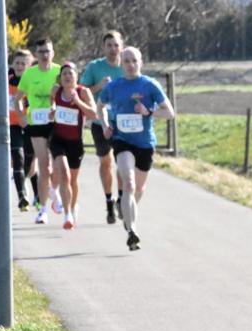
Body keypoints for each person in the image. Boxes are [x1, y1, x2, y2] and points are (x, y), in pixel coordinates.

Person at [98, 46, 174, 251]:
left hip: (145, 143)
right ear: (121, 64)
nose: (130, 65)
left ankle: (126, 211)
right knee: (129, 184)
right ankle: (132, 232)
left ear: (141, 63)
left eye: (134, 61)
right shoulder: (114, 86)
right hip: (122, 140)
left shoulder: (150, 85)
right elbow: (100, 105)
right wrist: (105, 125)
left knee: (139, 189)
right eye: (126, 61)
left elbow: (169, 113)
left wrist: (148, 111)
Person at [15, 38, 61, 225]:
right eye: (41, 51)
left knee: (59, 165)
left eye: (47, 51)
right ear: (36, 54)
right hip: (36, 123)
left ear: (53, 53)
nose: (44, 55)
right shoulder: (29, 74)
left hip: (56, 122)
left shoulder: (59, 71)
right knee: (44, 165)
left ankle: (54, 190)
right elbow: (18, 98)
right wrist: (21, 115)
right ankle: (42, 209)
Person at [81, 30, 125, 224]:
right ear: (104, 47)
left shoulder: (128, 65)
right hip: (100, 122)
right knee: (106, 162)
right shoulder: (95, 67)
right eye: (109, 45)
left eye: (116, 45)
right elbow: (82, 92)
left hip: (123, 122)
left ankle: (122, 199)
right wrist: (98, 86)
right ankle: (109, 201)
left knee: (123, 163)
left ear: (121, 46)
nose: (113, 49)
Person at [50, 62, 97, 230]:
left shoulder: (83, 92)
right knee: (64, 175)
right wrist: (52, 112)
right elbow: (52, 106)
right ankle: (67, 214)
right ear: (60, 78)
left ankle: (72, 206)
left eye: (71, 73)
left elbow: (94, 114)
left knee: (73, 180)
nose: (67, 77)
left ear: (77, 77)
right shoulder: (56, 91)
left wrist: (77, 102)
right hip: (58, 139)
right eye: (64, 74)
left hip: (75, 142)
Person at [7, 50, 39, 211]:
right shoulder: (7, 81)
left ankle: (38, 196)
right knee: (17, 158)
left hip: (30, 125)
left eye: (23, 64)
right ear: (13, 64)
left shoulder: (33, 82)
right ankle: (22, 196)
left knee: (31, 166)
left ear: (29, 66)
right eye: (17, 63)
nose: (20, 66)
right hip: (13, 125)